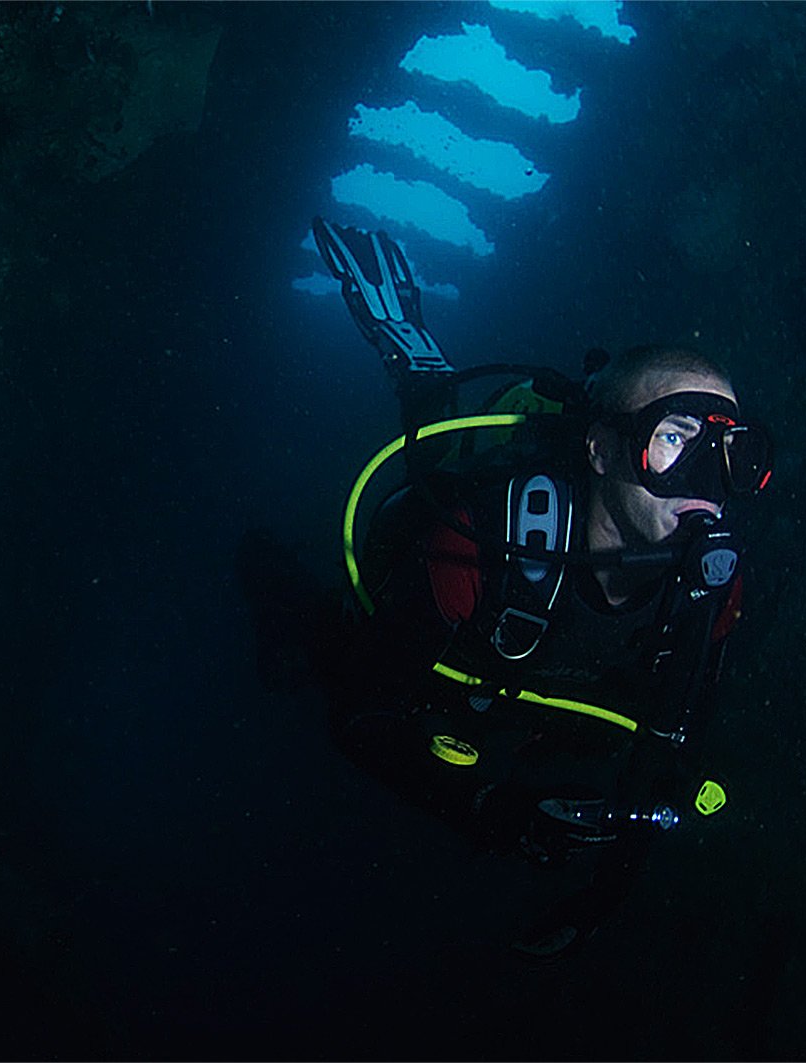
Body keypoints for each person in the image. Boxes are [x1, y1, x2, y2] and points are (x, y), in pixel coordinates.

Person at [245, 219, 773, 961]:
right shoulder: (477, 546)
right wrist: (490, 812)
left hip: (530, 706)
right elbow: (364, 713)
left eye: (735, 455)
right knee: (321, 643)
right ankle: (421, 382)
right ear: (599, 448)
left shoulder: (716, 588)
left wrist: (600, 900)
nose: (710, 487)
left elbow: (669, 753)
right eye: (674, 441)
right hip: (449, 647)